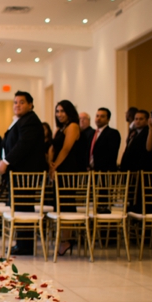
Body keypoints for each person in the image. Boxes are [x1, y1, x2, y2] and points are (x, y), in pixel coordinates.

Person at [0, 91, 46, 255]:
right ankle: (21, 243)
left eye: (21, 102)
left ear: (31, 104)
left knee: (23, 207)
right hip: (19, 172)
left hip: (26, 173)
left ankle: (25, 245)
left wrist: (6, 161)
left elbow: (23, 145)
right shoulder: (21, 121)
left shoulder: (30, 121)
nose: (17, 105)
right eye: (15, 102)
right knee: (18, 207)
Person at [49, 100, 87, 256]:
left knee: (67, 204)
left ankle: (67, 240)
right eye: (57, 111)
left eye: (63, 111)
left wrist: (55, 166)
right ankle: (63, 238)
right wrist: (51, 165)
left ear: (70, 112)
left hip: (68, 169)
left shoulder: (73, 126)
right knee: (60, 204)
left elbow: (66, 149)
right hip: (58, 169)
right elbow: (53, 147)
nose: (59, 114)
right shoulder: (60, 128)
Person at [88, 107, 121, 172]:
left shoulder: (113, 133)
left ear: (108, 119)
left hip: (105, 172)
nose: (98, 118)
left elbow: (111, 153)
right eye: (97, 116)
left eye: (102, 116)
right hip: (91, 171)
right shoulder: (91, 133)